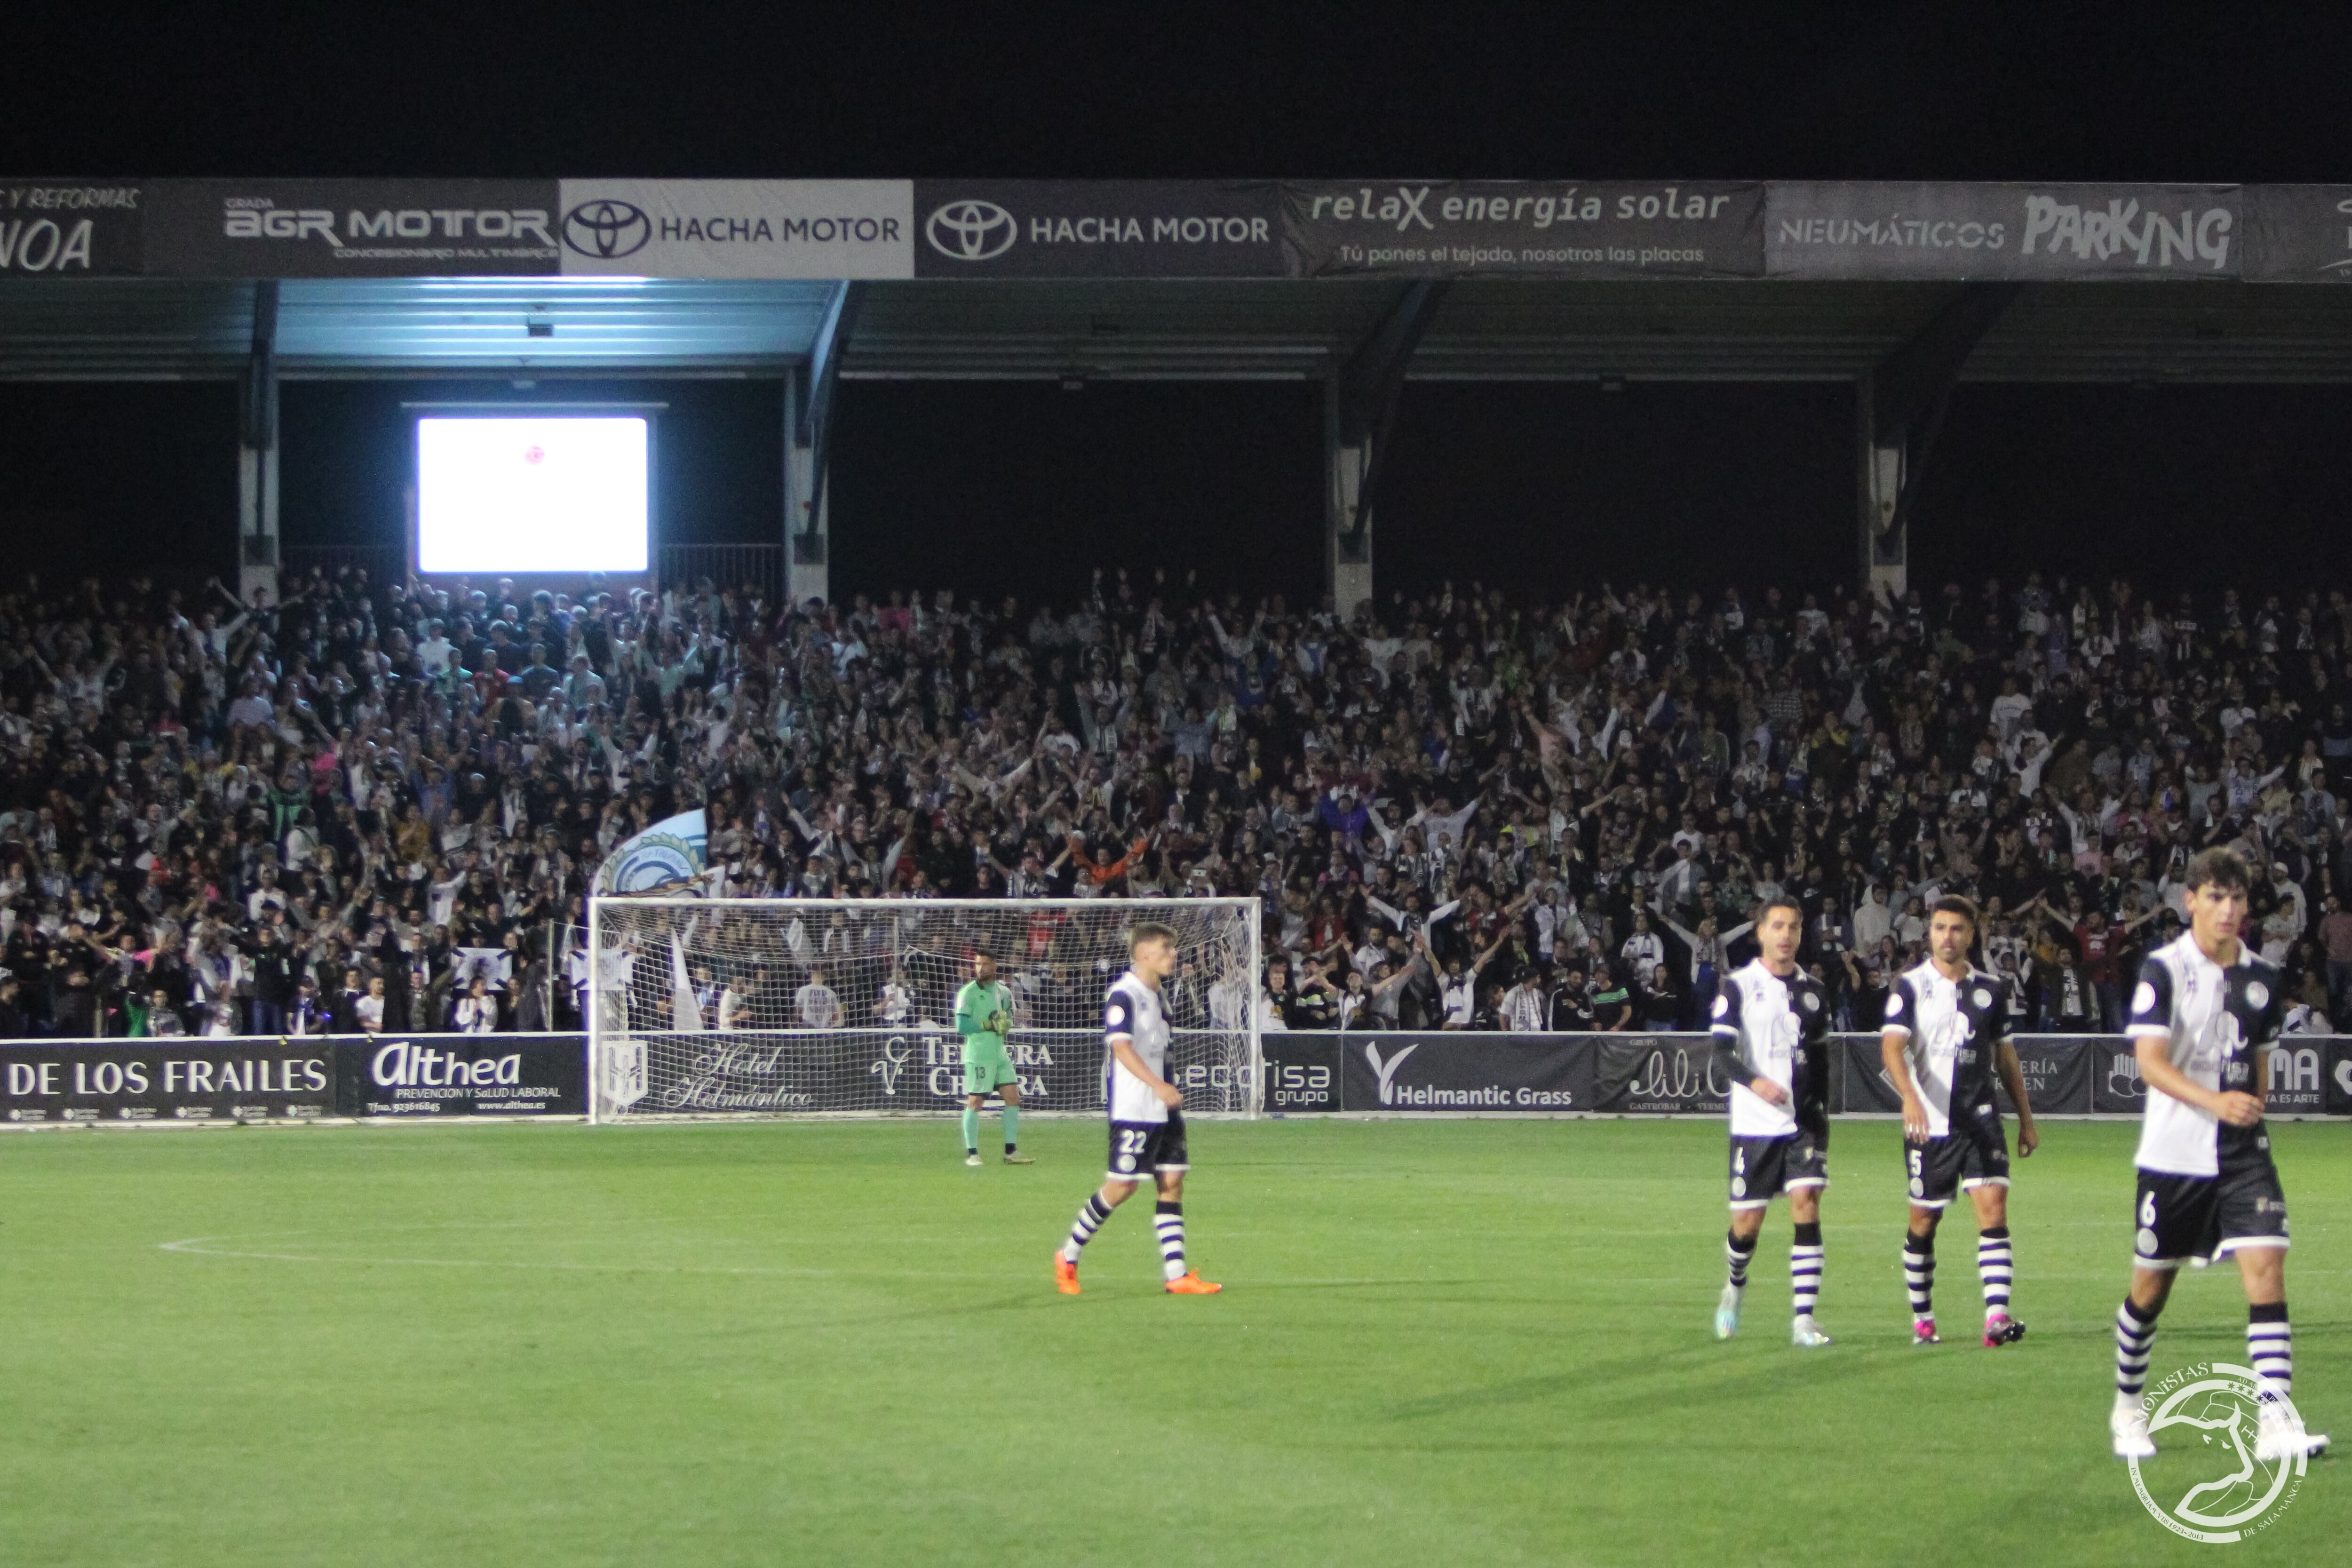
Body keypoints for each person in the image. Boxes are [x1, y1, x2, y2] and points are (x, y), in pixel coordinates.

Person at [2109, 847, 2328, 1462]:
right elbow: (2150, 1064)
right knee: (2149, 1292)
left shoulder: (2263, 977)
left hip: (2241, 1154)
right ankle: (2128, 1406)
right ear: (2192, 902)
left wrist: (2247, 1110)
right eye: (2216, 897)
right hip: (2174, 1154)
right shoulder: (2163, 970)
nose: (2228, 910)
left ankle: (2275, 1421)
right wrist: (2214, 1100)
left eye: (2237, 899)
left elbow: (2258, 1068)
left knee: (2266, 1270)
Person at [1879, 896, 2039, 1349]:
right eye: (1940, 928)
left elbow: (2006, 1057)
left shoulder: (1991, 988)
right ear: (1929, 933)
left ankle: (1996, 1316)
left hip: (1981, 1121)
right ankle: (1924, 1318)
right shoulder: (1909, 986)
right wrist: (1910, 1096)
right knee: (1924, 1223)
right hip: (1928, 1127)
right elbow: (1891, 1047)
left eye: (1957, 929)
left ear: (1972, 934)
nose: (1948, 937)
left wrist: (2026, 1120)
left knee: (1993, 1212)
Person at [1054, 922, 1218, 1297]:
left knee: (1173, 1181)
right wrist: (1158, 1085)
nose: (1173, 954)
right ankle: (1068, 1254)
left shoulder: (1159, 995)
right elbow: (1121, 1048)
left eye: (1173, 948)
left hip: (1164, 1108)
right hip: (1135, 1106)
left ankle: (1176, 1274)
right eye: (1165, 947)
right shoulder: (1123, 994)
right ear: (1143, 952)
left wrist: (1168, 1089)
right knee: (1122, 1185)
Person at [1710, 897, 1834, 1347]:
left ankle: (1804, 1320)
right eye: (1778, 926)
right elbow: (1721, 1054)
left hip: (1801, 1123)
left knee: (1807, 1202)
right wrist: (1755, 1081)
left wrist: (1822, 1112)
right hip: (1754, 1125)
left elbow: (1820, 1059)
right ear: (1760, 932)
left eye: (1794, 927)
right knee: (1747, 1226)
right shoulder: (1738, 986)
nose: (1786, 935)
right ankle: (1734, 1286)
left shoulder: (1815, 991)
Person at [954, 951, 1029, 1167]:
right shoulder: (967, 993)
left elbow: (1007, 1019)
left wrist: (1006, 1024)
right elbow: (962, 1026)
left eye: (985, 964)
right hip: (979, 1055)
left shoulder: (1003, 992)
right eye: (978, 964)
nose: (980, 969)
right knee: (976, 1102)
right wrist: (986, 1025)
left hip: (1000, 1054)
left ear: (994, 966)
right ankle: (972, 1154)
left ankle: (1011, 1152)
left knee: (1013, 1097)